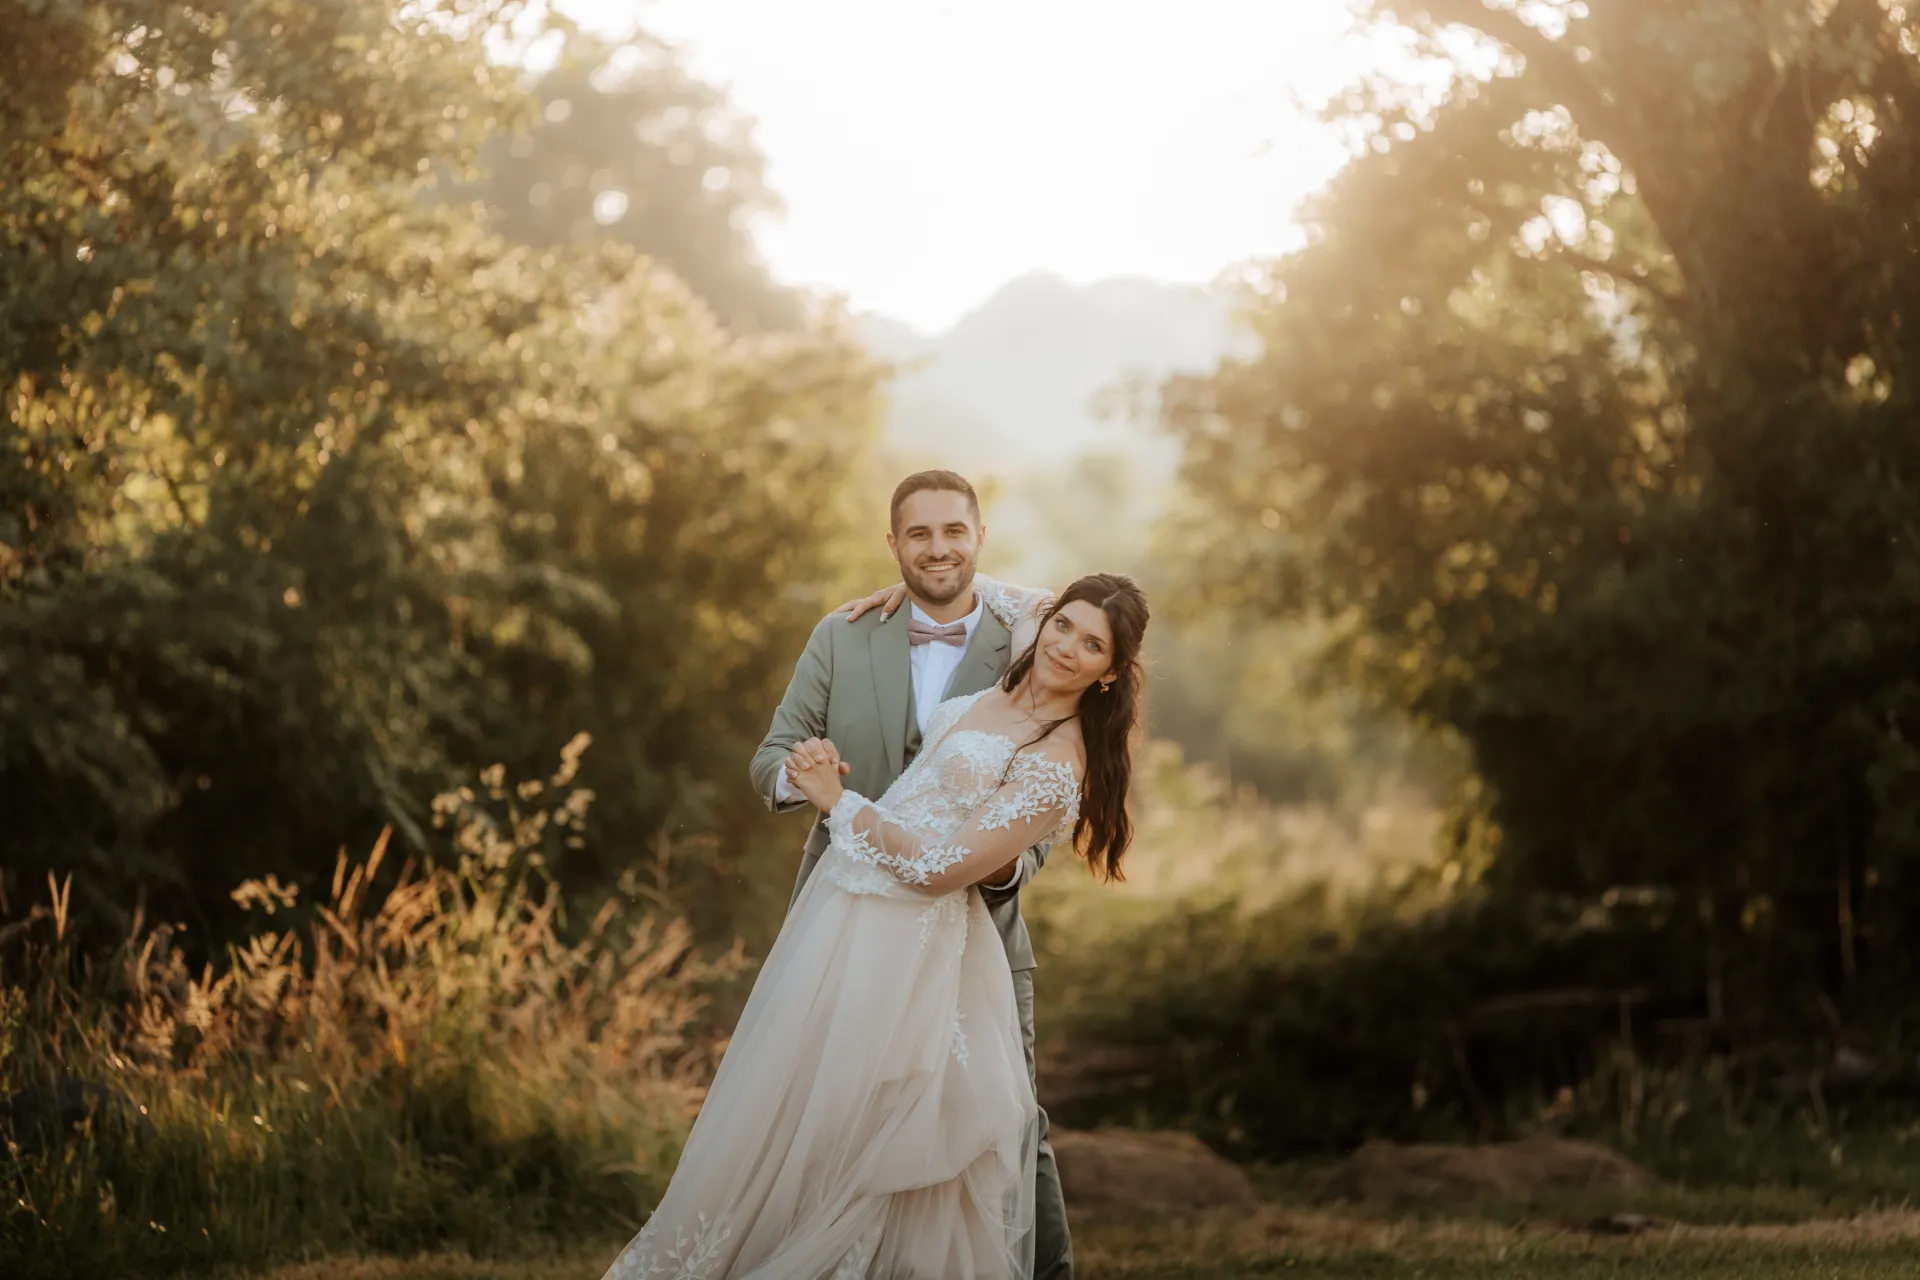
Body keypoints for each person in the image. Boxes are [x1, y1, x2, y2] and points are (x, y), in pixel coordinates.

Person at [598, 472, 1147, 1279]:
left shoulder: (1019, 639)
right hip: (843, 916)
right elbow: (769, 761)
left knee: (997, 1129)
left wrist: (869, 816)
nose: (938, 549)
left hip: (969, 931)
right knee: (812, 1113)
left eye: (954, 532)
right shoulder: (844, 633)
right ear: (893, 545)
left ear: (978, 537)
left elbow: (1011, 844)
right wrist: (810, 779)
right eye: (918, 535)